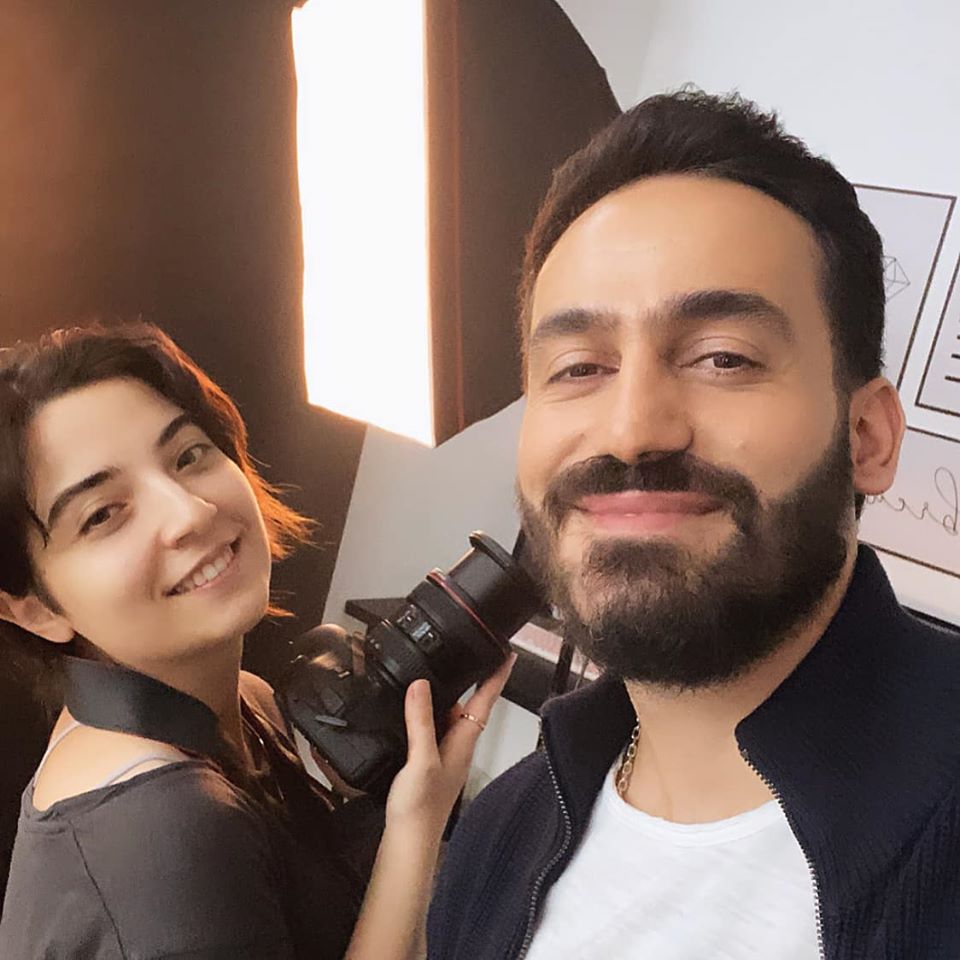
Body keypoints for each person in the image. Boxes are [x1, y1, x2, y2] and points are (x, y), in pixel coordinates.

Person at [427, 89, 960, 959]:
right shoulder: (496, 837)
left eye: (723, 357)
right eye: (578, 367)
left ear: (867, 437)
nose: (633, 429)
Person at [0, 322, 512, 959]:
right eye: (103, 514)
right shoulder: (156, 829)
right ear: (33, 609)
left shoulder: (246, 701)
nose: (190, 512)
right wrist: (417, 825)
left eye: (188, 456)